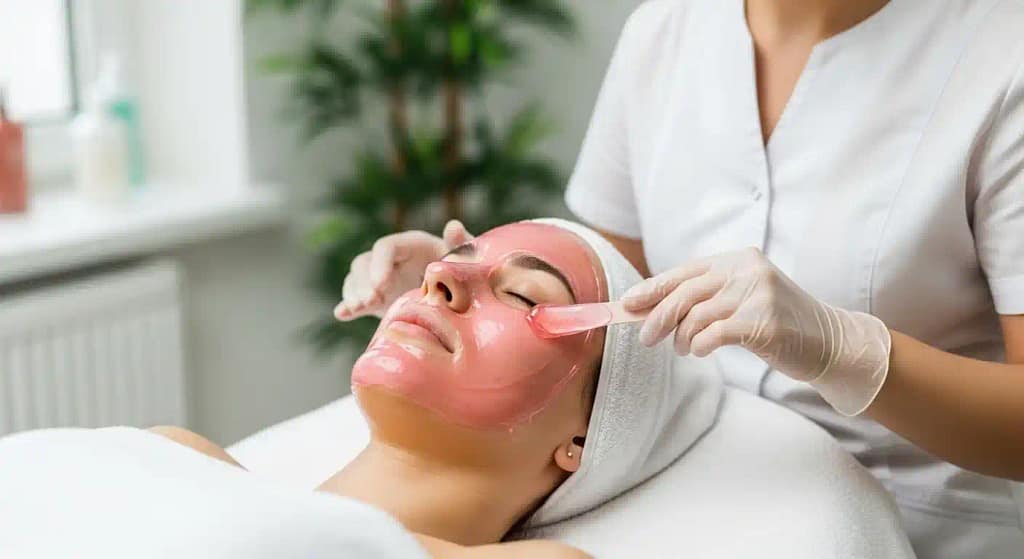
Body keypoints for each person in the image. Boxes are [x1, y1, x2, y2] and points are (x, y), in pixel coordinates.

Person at [335, 1, 1024, 555]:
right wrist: (470, 274)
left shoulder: (1002, 56)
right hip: (678, 489)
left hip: (933, 530)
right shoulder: (662, 31)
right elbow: (601, 301)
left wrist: (848, 352)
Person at [155, 220, 716, 558]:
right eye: (452, 262)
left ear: (584, 437)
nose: (437, 278)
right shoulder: (176, 458)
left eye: (522, 294)